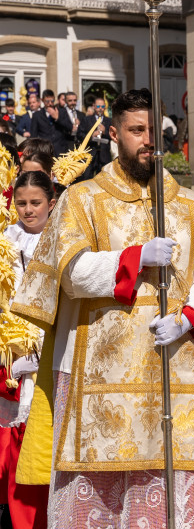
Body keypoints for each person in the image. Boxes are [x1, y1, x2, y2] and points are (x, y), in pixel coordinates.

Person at [10, 88, 194, 527]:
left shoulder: (191, 206)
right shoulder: (82, 200)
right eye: (136, 131)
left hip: (178, 362)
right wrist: (133, 258)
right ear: (113, 134)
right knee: (103, 491)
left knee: (182, 479)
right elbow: (69, 270)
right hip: (99, 371)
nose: (149, 140)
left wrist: (190, 318)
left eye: (154, 131)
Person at [0, 171, 56, 529]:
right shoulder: (6, 243)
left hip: (48, 353)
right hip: (10, 357)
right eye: (21, 203)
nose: (28, 210)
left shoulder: (63, 240)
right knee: (13, 441)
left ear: (51, 203)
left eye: (36, 203)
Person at [77, 97, 112, 181]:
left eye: (102, 107)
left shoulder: (109, 121)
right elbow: (79, 134)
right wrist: (92, 135)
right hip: (90, 153)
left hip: (104, 155)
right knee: (87, 179)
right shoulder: (87, 119)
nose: (100, 108)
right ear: (93, 106)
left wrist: (105, 132)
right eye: (98, 106)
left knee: (104, 180)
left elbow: (114, 136)